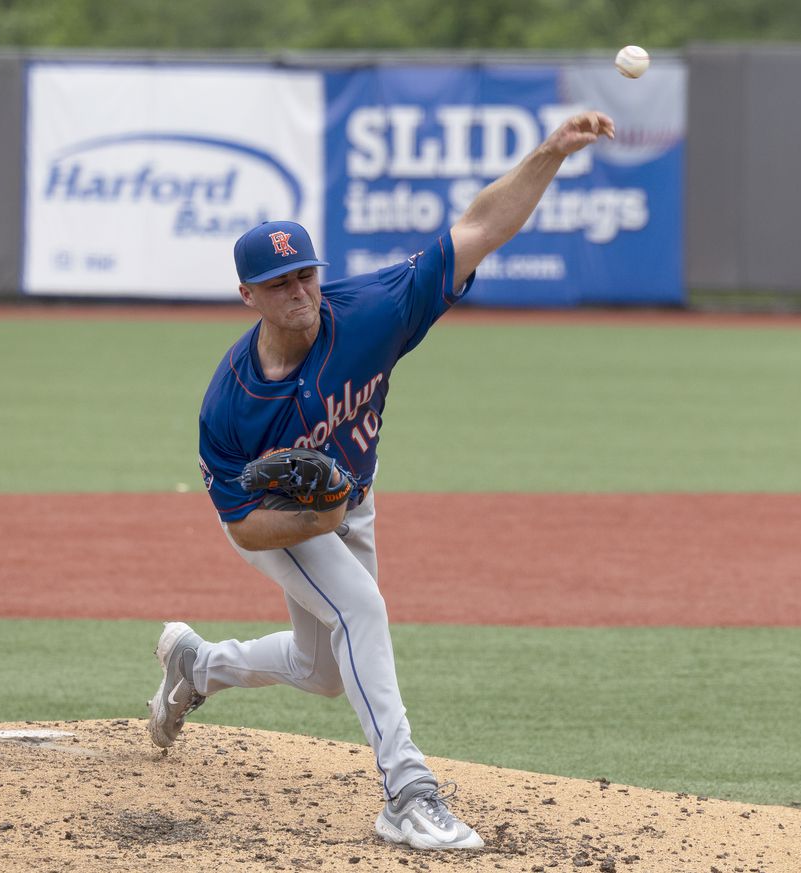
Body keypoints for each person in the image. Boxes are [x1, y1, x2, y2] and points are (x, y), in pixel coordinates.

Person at [147, 111, 616, 851]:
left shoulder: (372, 310)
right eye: (277, 282)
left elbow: (478, 228)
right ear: (247, 295)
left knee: (322, 669)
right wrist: (319, 518)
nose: (297, 290)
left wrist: (551, 153)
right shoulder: (230, 403)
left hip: (348, 501)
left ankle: (198, 663)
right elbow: (242, 525)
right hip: (277, 518)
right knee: (361, 607)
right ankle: (408, 792)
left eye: (304, 273)